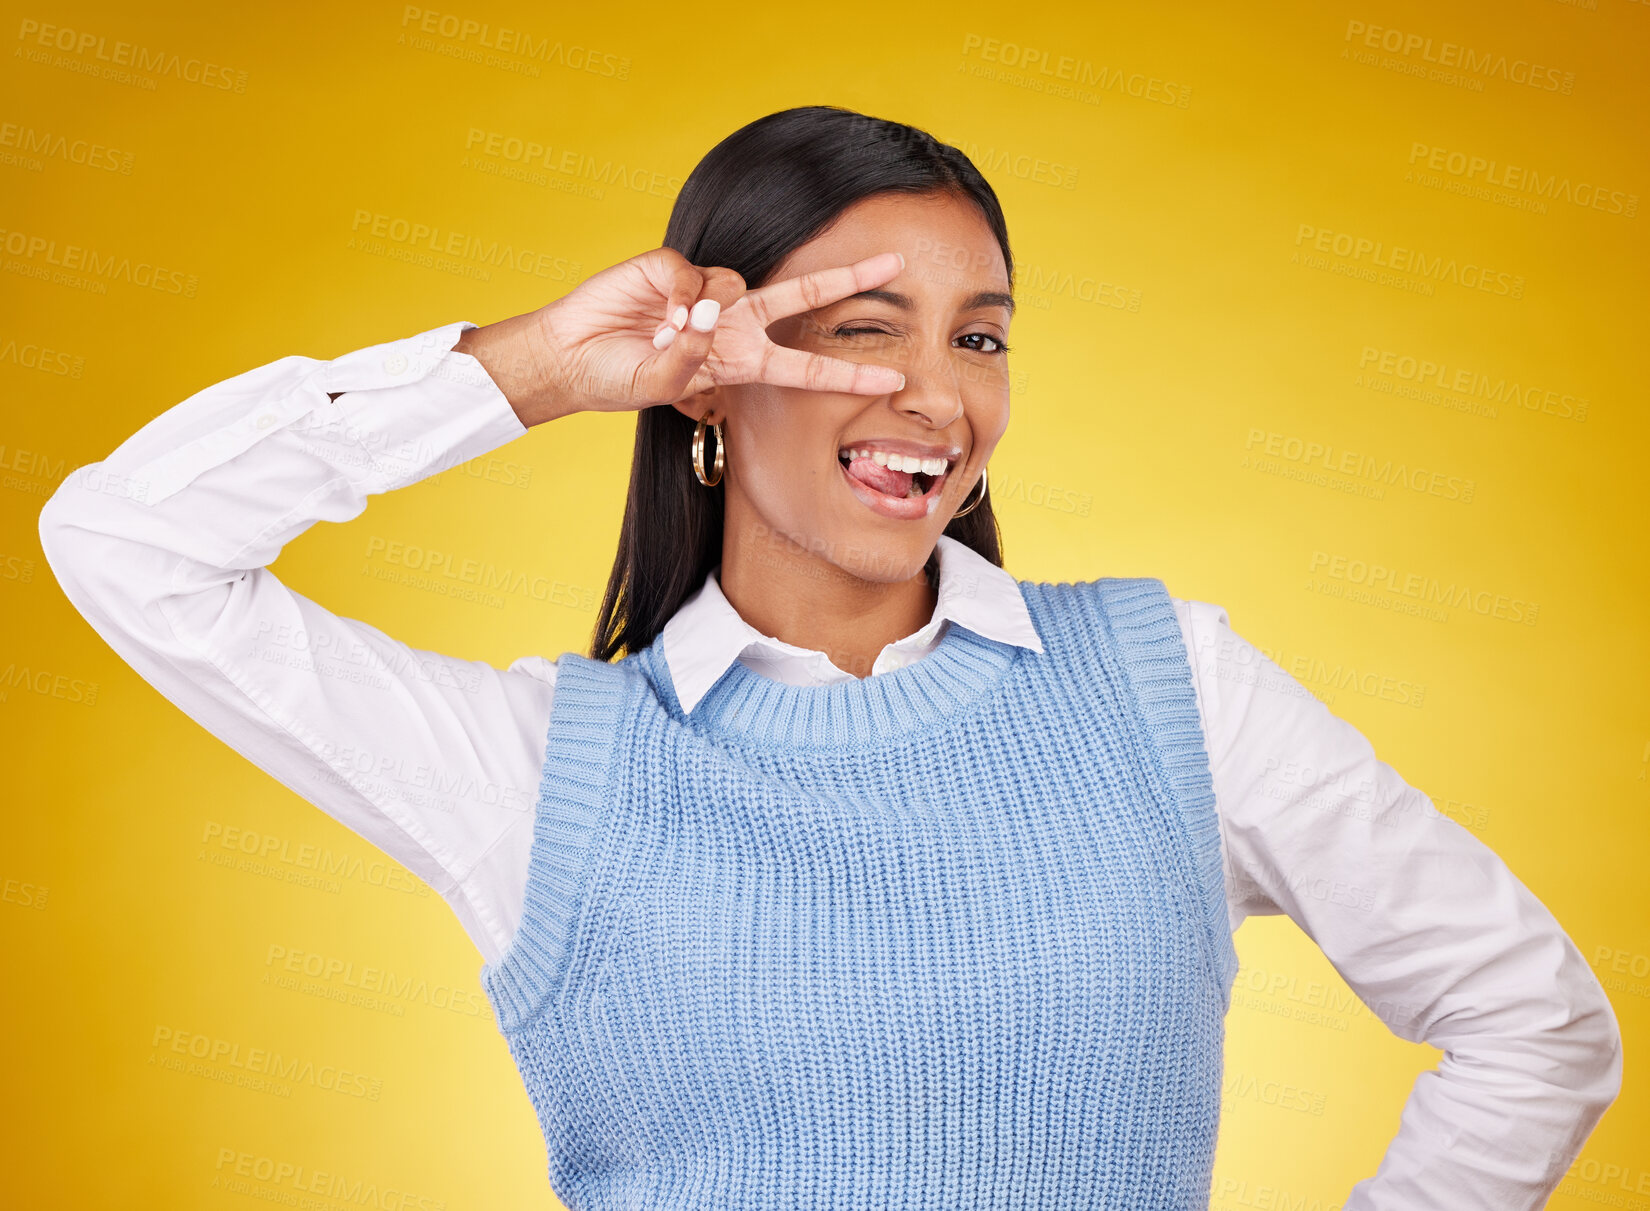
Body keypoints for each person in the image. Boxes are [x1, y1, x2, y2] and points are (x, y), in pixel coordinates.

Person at [38, 104, 1620, 1209]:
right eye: (863, 328)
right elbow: (126, 544)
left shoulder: (1169, 686)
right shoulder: (540, 770)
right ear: (708, 382)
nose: (938, 395)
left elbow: (1530, 1019)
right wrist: (534, 368)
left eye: (978, 336)